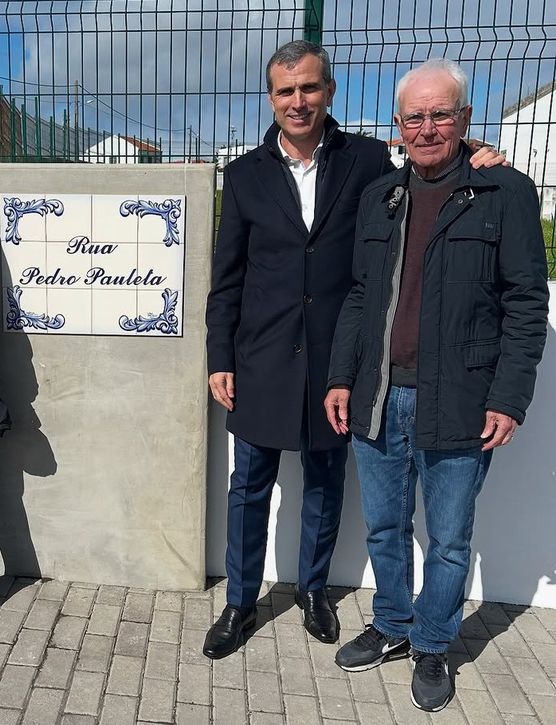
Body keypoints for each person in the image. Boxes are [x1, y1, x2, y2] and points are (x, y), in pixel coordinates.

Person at [203, 41, 505, 660]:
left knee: (323, 479)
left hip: (339, 361)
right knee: (249, 484)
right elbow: (226, 274)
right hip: (259, 356)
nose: (298, 102)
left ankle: (313, 591)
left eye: (309, 88)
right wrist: (219, 357)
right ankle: (239, 600)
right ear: (271, 98)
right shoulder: (243, 174)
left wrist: (478, 153)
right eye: (285, 92)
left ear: (329, 91)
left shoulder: (367, 159)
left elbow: (431, 159)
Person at [324, 59, 548, 712]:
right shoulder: (381, 197)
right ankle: (392, 624)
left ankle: (432, 641)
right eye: (415, 116)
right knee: (386, 527)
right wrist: (341, 376)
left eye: (441, 113)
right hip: (376, 396)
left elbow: (527, 301)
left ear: (465, 120)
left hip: (460, 401)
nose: (427, 127)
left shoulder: (505, 192)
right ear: (398, 126)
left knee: (449, 538)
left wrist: (509, 396)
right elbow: (361, 297)